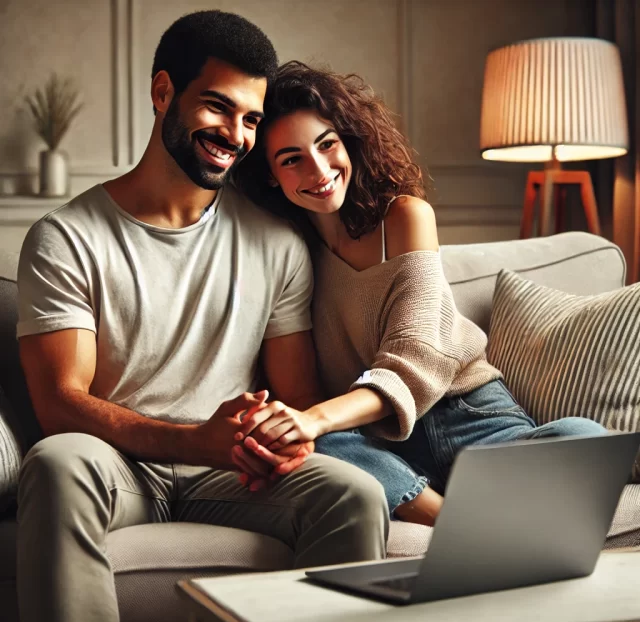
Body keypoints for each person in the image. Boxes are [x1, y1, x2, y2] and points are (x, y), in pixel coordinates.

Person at [15, 15, 389, 622]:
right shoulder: (65, 239)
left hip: (230, 469)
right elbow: (58, 405)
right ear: (164, 92)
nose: (236, 135)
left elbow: (296, 399)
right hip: (119, 467)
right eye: (218, 109)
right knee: (57, 462)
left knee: (354, 492)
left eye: (251, 119)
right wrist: (196, 440)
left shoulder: (276, 243)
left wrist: (274, 435)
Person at [234, 61, 608, 524]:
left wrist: (316, 418)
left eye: (327, 144)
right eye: (291, 159)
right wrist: (304, 425)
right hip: (377, 442)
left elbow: (416, 357)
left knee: (584, 435)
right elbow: (301, 400)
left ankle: (468, 523)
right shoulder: (288, 251)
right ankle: (463, 524)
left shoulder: (405, 217)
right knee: (317, 444)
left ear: (348, 141)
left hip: (472, 418)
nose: (319, 169)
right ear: (271, 175)